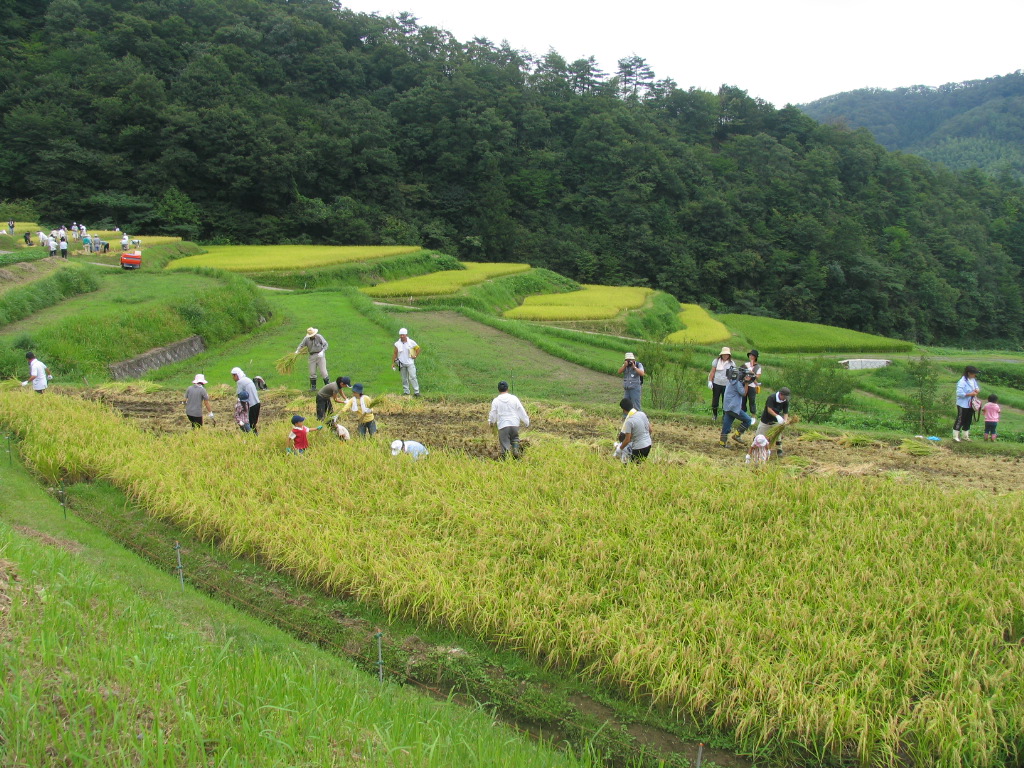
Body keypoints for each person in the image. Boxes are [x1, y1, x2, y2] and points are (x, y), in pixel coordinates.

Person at [488, 380, 529, 459]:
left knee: (505, 443)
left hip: (503, 425)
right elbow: (521, 410)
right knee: (515, 438)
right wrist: (526, 421)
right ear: (508, 389)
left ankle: (506, 459)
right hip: (514, 424)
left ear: (498, 390)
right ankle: (515, 451)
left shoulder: (496, 401)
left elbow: (493, 413)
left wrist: (491, 422)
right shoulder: (514, 398)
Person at [720, 368, 753, 448]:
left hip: (727, 407)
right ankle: (737, 435)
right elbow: (744, 393)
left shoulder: (731, 382)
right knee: (748, 420)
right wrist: (747, 383)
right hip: (734, 407)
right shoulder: (737, 383)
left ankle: (722, 443)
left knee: (726, 425)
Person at [754, 387, 791, 457]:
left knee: (778, 434)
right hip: (766, 420)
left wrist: (785, 420)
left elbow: (785, 412)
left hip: (776, 422)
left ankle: (779, 450)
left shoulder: (785, 401)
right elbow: (769, 409)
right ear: (781, 394)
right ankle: (756, 447)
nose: (785, 398)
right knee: (759, 436)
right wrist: (777, 416)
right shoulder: (771, 398)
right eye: (784, 397)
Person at [617, 397, 652, 463]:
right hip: (648, 445)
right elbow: (650, 430)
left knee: (630, 468)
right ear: (632, 405)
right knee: (640, 465)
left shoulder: (629, 421)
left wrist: (620, 449)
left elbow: (627, 440)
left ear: (623, 410)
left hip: (639, 448)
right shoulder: (642, 414)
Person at [707, 347, 736, 422]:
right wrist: (710, 381)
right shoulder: (716, 361)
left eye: (727, 355)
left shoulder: (731, 363)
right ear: (722, 355)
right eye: (724, 354)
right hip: (717, 383)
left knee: (725, 400)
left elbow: (733, 374)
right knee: (715, 400)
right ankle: (714, 414)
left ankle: (724, 416)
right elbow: (713, 371)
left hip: (726, 384)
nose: (725, 356)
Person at [954, 365, 980, 442]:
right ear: (969, 373)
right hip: (963, 403)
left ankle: (965, 436)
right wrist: (969, 394)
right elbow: (959, 393)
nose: (974, 375)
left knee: (968, 419)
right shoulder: (962, 381)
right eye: (973, 373)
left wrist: (977, 391)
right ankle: (955, 436)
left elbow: (977, 387)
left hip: (971, 404)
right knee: (960, 419)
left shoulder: (973, 380)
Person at [231, 366, 261, 435]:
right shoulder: (247, 379)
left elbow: (240, 395)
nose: (233, 378)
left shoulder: (240, 382)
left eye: (233, 376)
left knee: (249, 425)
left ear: (236, 375)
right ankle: (255, 438)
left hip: (251, 405)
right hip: (257, 403)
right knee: (253, 424)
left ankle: (254, 439)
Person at [392, 327, 421, 396]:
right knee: (404, 378)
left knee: (413, 377)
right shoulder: (397, 343)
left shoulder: (411, 342)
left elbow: (418, 348)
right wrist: (393, 362)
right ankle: (406, 392)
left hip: (410, 363)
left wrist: (415, 356)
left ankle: (416, 392)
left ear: (406, 335)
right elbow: (395, 353)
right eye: (401, 335)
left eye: (403, 335)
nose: (402, 336)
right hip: (401, 363)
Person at [742, 350, 762, 419]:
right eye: (750, 355)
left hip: (752, 385)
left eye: (753, 356)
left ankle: (753, 416)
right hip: (744, 384)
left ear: (755, 357)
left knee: (752, 401)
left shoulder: (757, 367)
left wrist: (752, 373)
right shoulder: (745, 364)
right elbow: (741, 373)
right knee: (743, 400)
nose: (751, 357)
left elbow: (758, 376)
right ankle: (743, 416)